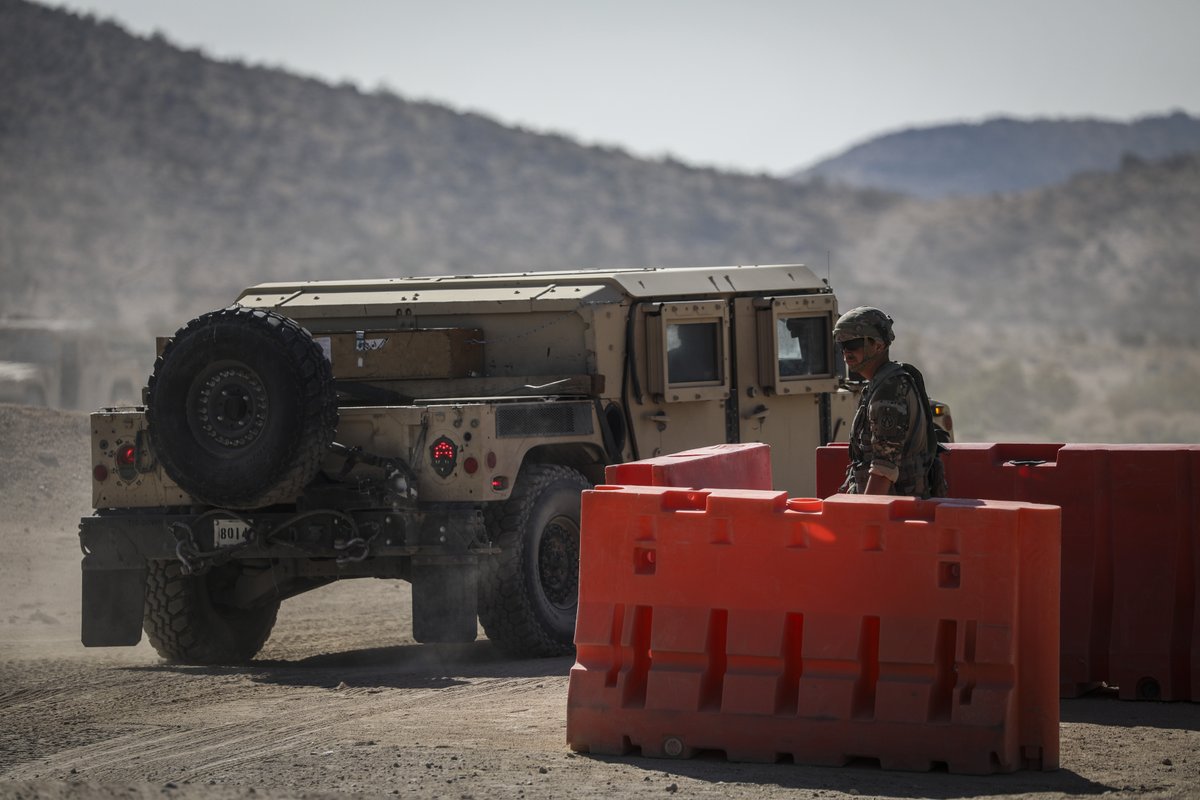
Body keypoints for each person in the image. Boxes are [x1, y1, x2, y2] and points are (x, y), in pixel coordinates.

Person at [835, 306, 940, 497]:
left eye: (853, 344)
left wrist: (867, 512)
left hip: (895, 506)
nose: (846, 353)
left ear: (878, 345)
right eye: (842, 345)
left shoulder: (888, 391)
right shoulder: (881, 384)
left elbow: (883, 470)